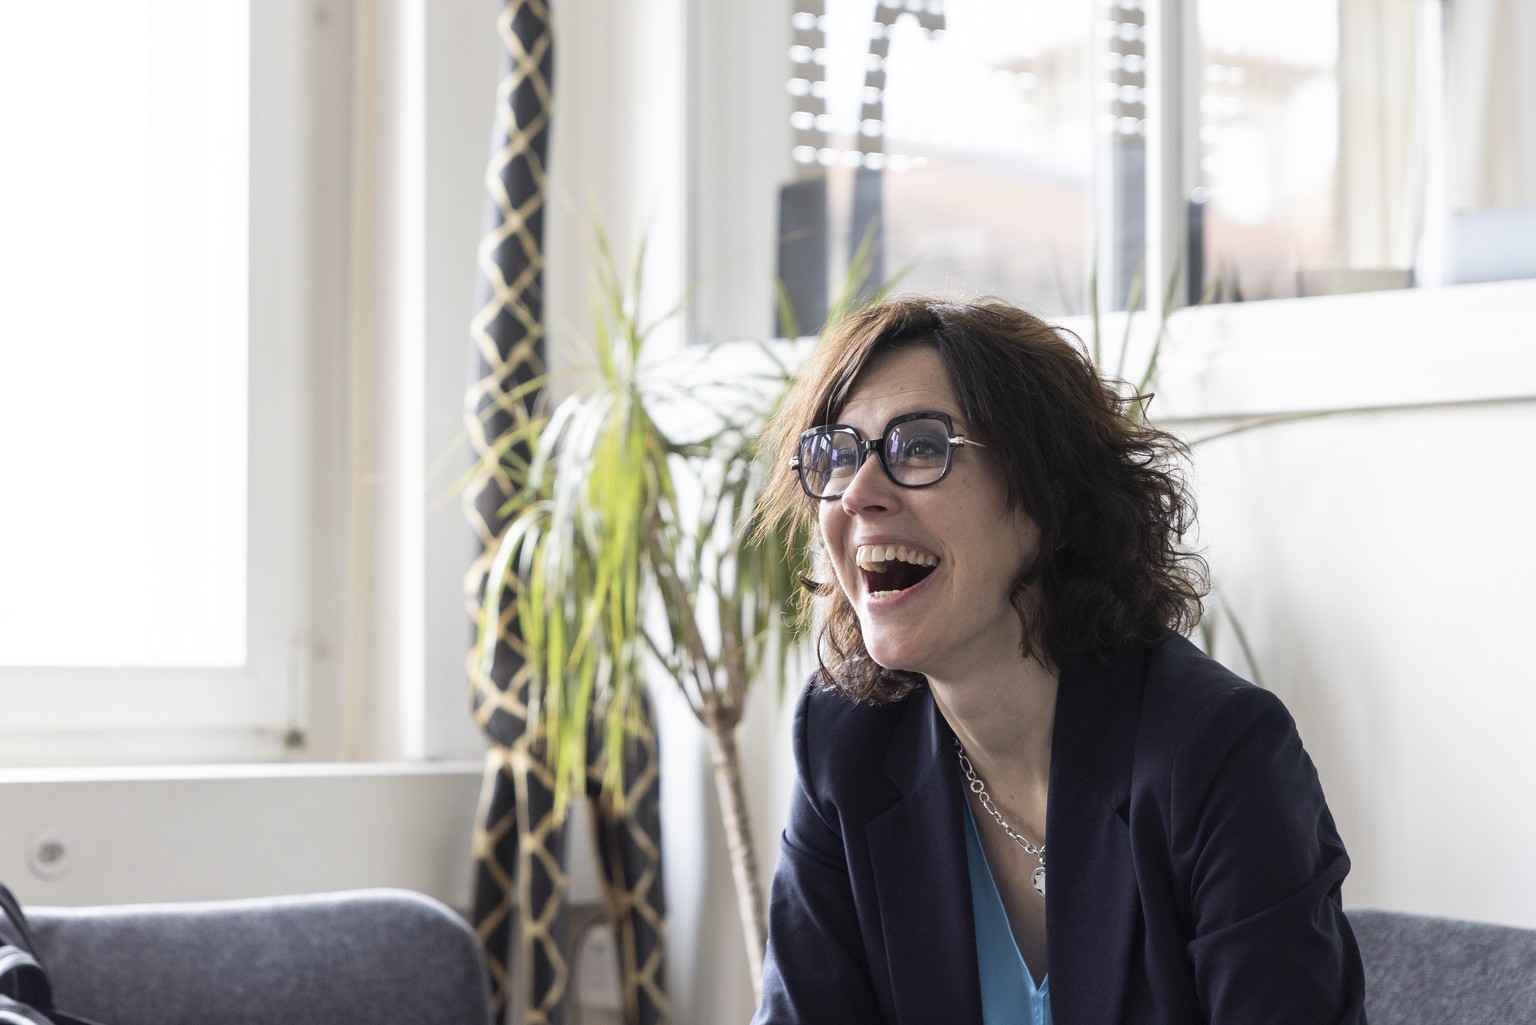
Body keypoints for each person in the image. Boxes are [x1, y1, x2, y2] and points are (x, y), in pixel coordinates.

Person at [749, 297, 1365, 1024]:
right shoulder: (844, 742)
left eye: (919, 446)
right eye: (838, 454)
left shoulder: (1218, 757)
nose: (857, 494)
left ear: (1048, 497)